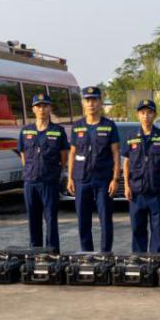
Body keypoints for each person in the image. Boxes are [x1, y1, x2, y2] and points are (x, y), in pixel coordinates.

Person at [66, 86, 121, 251]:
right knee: (83, 220)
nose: (91, 103)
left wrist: (115, 179)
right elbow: (72, 153)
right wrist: (69, 178)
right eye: (87, 100)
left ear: (100, 103)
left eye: (94, 100)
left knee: (105, 219)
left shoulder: (109, 126)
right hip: (82, 179)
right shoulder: (77, 126)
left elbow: (116, 153)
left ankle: (105, 254)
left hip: (103, 180)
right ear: (83, 103)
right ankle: (86, 253)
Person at [18, 93, 69, 252]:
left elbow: (63, 157)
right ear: (33, 109)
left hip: (49, 183)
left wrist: (53, 173)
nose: (42, 109)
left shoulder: (58, 131)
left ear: (50, 108)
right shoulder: (25, 131)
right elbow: (23, 156)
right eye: (39, 106)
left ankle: (52, 253)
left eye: (45, 105)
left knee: (51, 220)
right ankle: (35, 253)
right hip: (30, 182)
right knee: (33, 220)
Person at [122, 99, 160, 253]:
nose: (146, 116)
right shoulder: (131, 136)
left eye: (149, 112)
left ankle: (158, 261)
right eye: (142, 112)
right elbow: (126, 163)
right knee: (137, 229)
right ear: (138, 115)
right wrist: (126, 185)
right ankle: (139, 261)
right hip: (137, 192)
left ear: (154, 115)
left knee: (157, 230)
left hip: (156, 191)